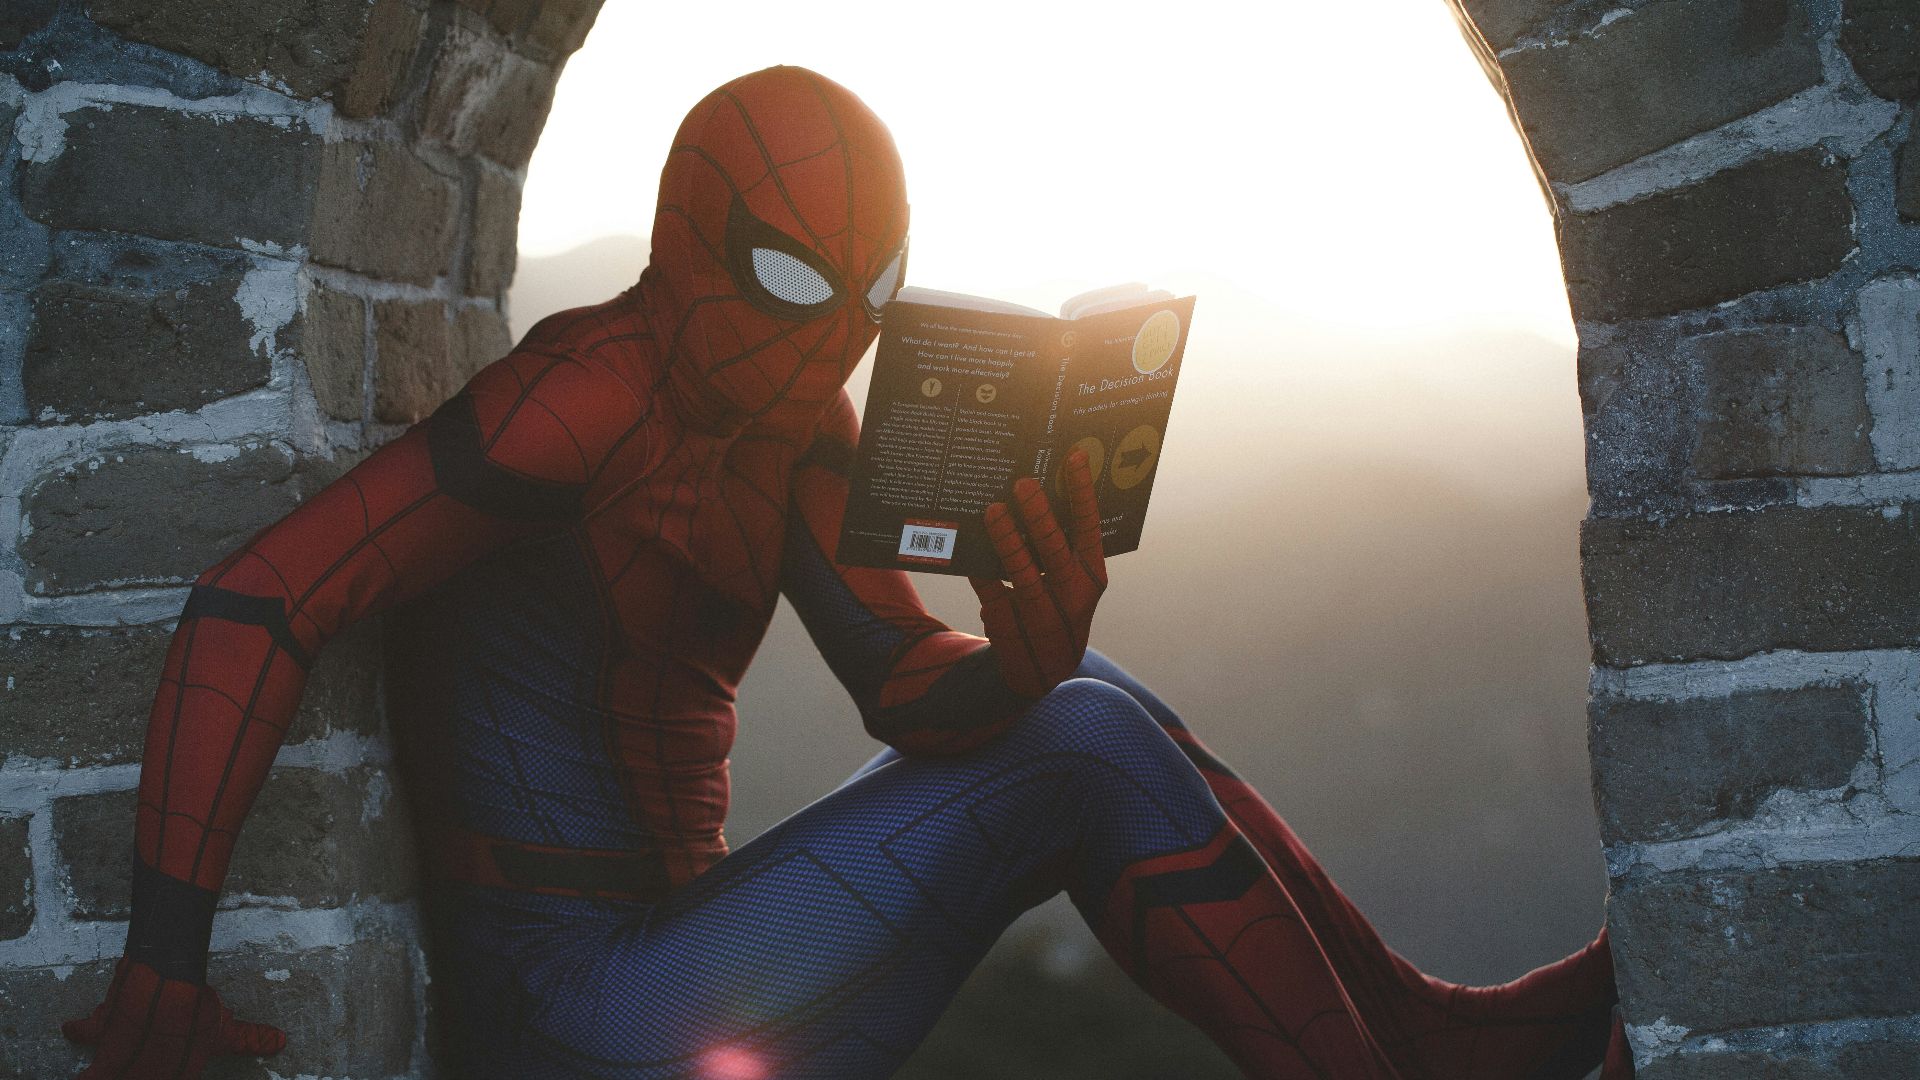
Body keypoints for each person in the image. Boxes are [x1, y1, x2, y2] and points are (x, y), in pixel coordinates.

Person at [62, 66, 1630, 1079]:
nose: (836, 335)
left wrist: (1022, 645)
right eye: (793, 281)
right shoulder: (580, 399)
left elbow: (902, 680)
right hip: (563, 1010)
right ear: (690, 239)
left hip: (709, 968)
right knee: (1081, 740)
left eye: (870, 293)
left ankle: (1418, 1028)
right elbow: (266, 595)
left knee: (1084, 696)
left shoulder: (800, 420)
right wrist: (160, 966)